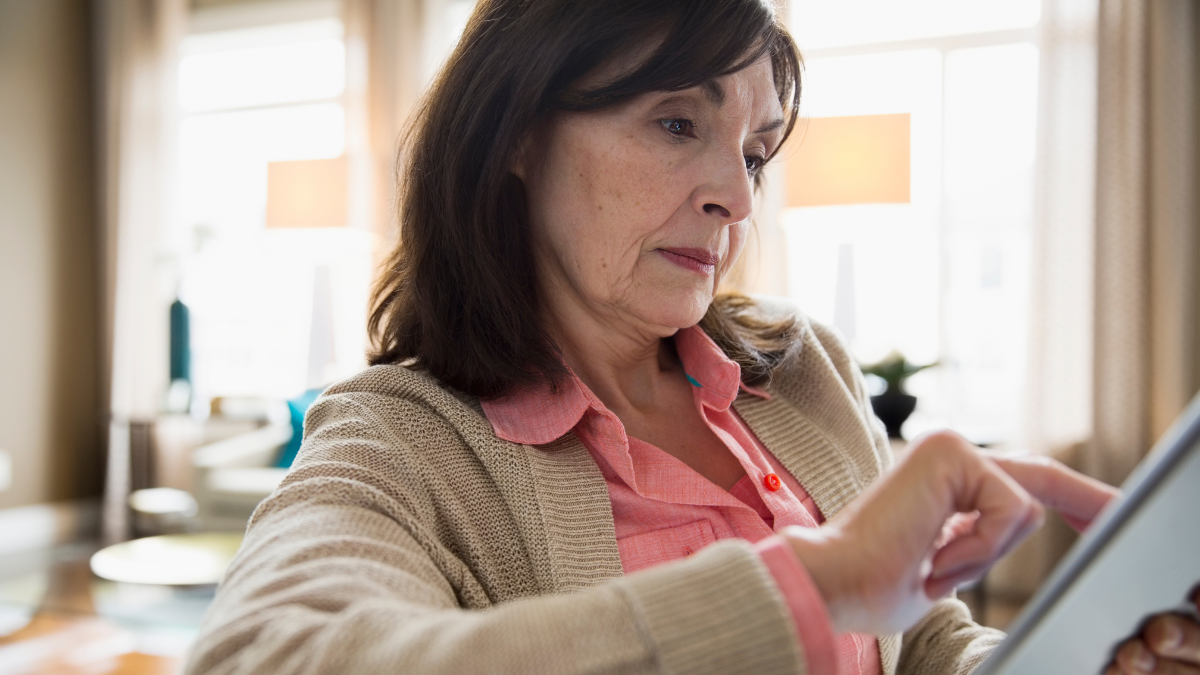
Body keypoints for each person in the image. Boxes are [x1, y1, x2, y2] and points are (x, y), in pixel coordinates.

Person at [184, 1, 1200, 673]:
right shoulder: (400, 439)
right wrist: (822, 578)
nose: (734, 198)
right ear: (517, 136)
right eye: (677, 124)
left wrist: (1058, 657)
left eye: (754, 151)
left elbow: (919, 640)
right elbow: (260, 657)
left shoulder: (804, 371)